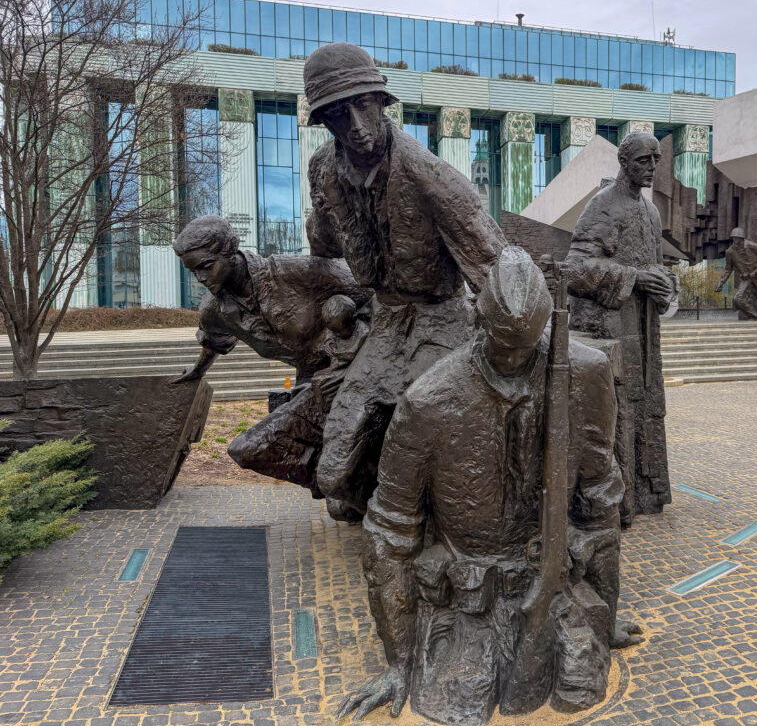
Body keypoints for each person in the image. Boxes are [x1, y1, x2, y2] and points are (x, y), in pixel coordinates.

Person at [338, 248, 641, 725]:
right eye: (504, 345)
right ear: (479, 322)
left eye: (528, 346)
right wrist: (399, 661)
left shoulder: (586, 373)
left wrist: (604, 610)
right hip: (465, 596)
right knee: (458, 704)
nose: (516, 360)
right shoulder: (427, 401)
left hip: (552, 583)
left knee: (579, 687)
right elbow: (389, 535)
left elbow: (600, 497)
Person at [303, 42, 506, 522]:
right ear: (325, 121)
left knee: (417, 422)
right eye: (338, 114)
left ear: (382, 102)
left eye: (363, 105)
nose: (355, 125)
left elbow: (496, 270)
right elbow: (325, 243)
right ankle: (381, 505)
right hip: (387, 320)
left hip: (443, 319)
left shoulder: (432, 177)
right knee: (333, 471)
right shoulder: (323, 169)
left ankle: (418, 524)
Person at [171, 215, 371, 494]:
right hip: (313, 384)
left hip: (359, 366)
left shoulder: (296, 272)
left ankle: (349, 489)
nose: (201, 278)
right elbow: (214, 341)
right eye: (193, 272)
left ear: (229, 251)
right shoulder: (214, 310)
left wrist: (360, 353)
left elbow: (375, 294)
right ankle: (348, 487)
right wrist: (198, 370)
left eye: (206, 266)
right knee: (250, 450)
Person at [564, 131, 676, 516]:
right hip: (611, 329)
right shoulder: (603, 205)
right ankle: (616, 504)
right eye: (644, 160)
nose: (652, 167)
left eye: (656, 160)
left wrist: (666, 282)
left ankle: (645, 492)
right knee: (616, 412)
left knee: (645, 405)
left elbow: (656, 266)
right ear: (624, 162)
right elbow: (574, 268)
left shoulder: (652, 211)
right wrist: (633, 278)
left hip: (644, 331)